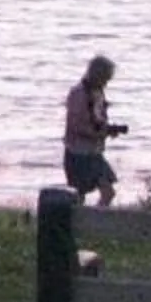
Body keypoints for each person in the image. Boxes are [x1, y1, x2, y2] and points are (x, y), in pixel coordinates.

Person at [63, 54, 126, 205]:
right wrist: (100, 134)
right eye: (106, 78)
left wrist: (109, 130)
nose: (107, 83)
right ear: (97, 75)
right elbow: (76, 125)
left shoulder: (97, 93)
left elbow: (97, 120)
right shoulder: (79, 93)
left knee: (107, 192)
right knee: (82, 195)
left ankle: (94, 220)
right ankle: (87, 222)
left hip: (94, 152)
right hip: (79, 153)